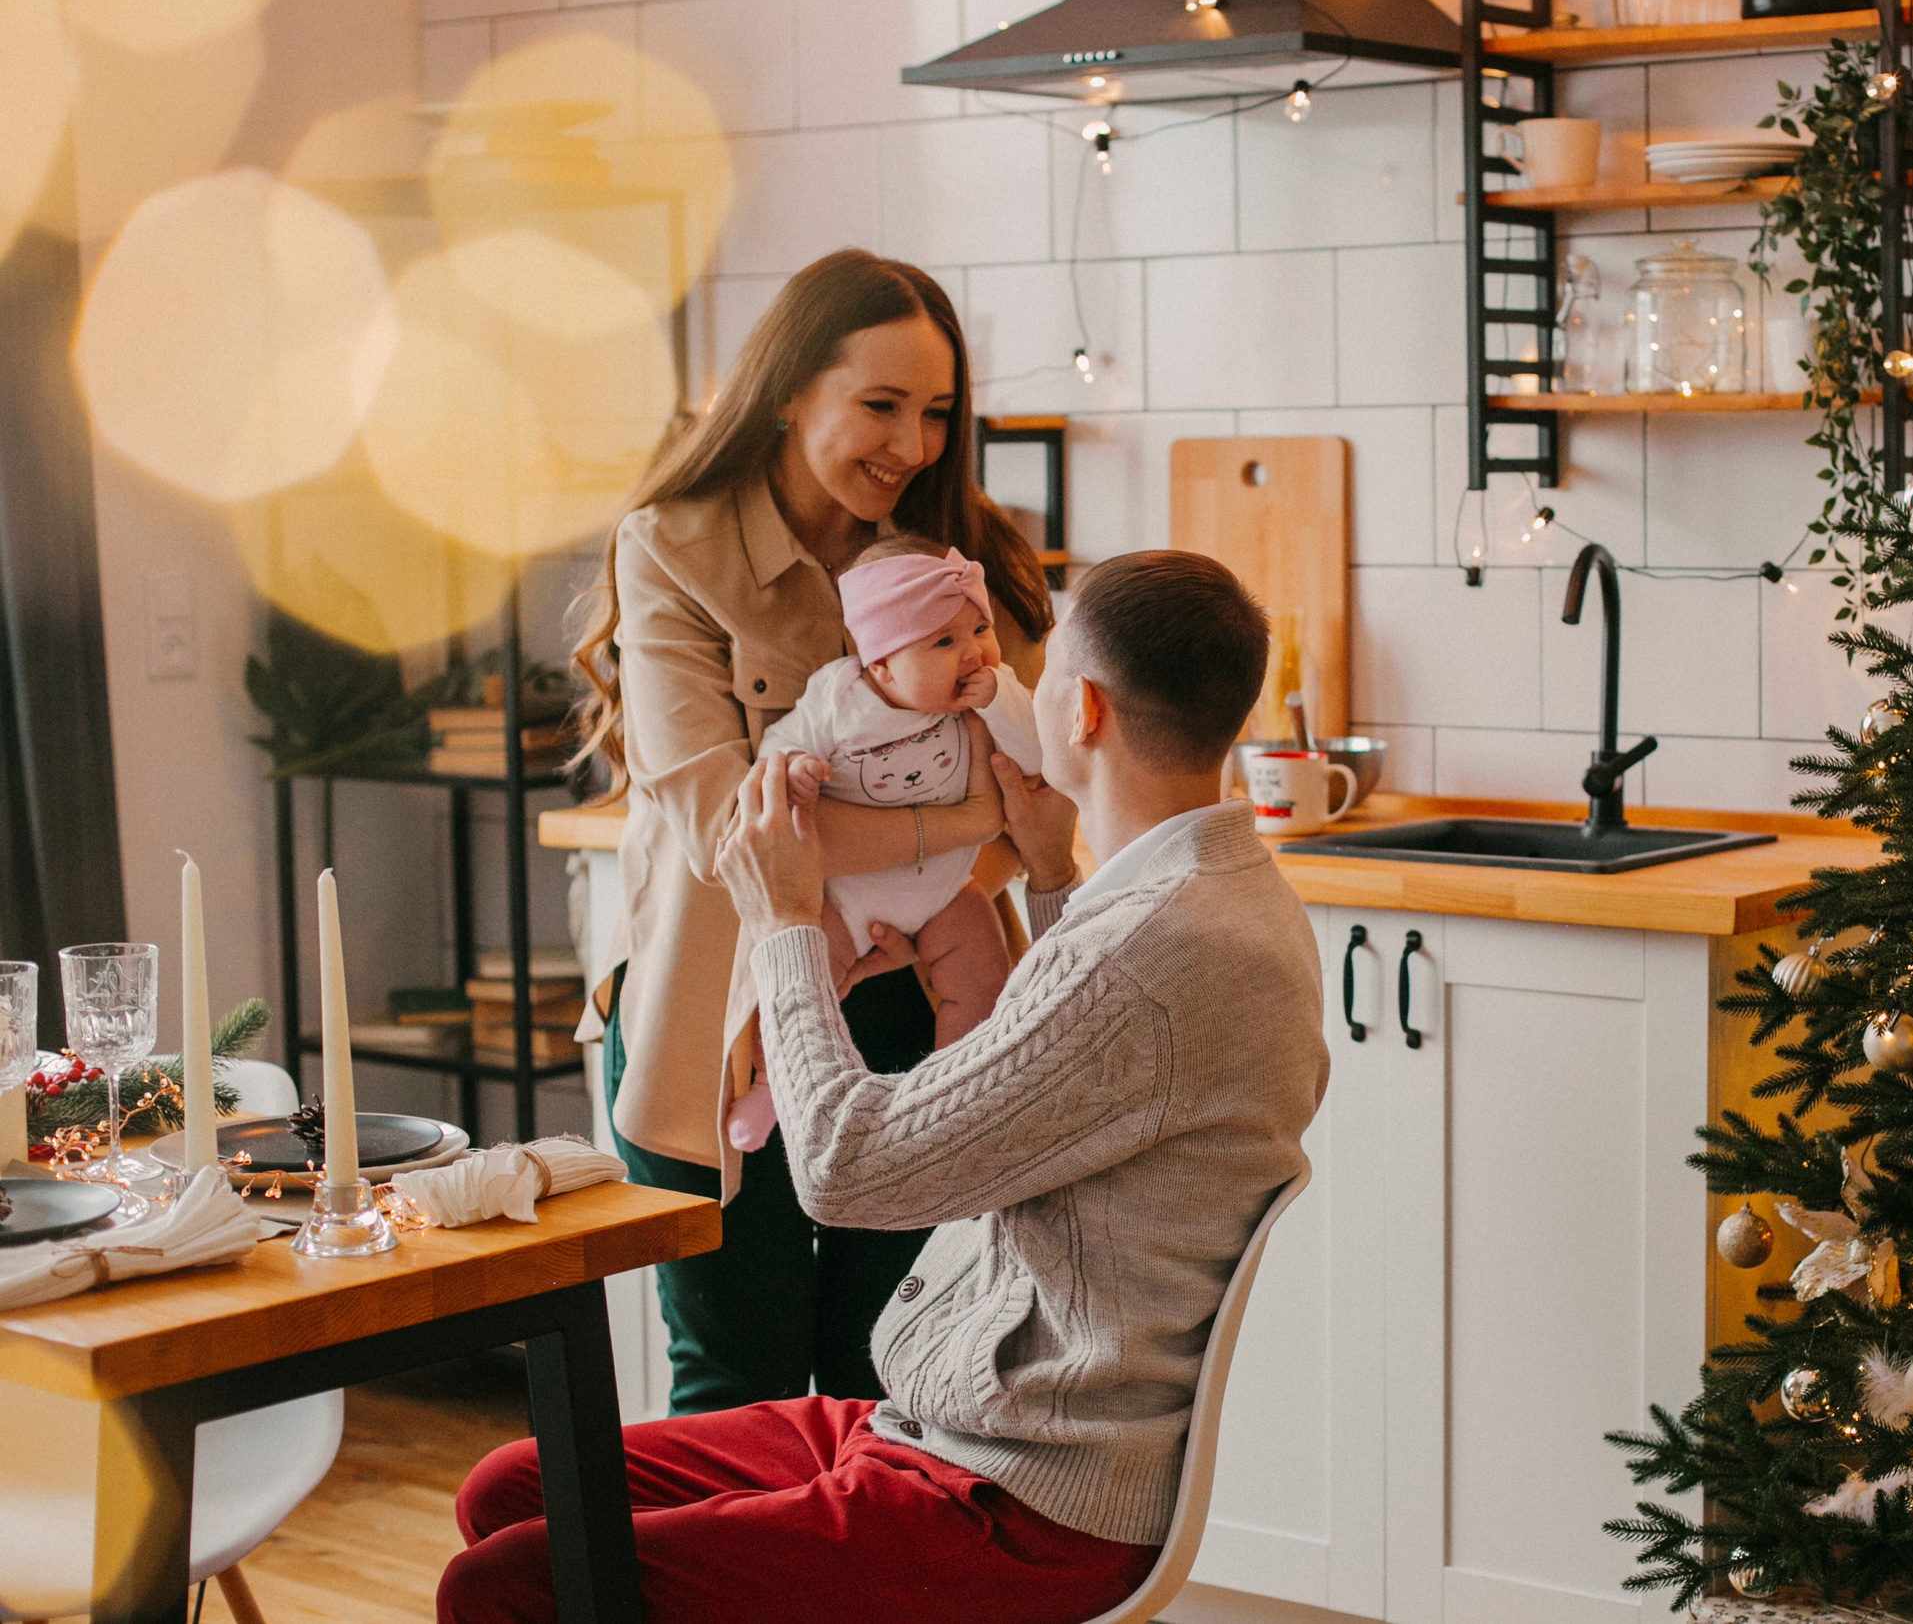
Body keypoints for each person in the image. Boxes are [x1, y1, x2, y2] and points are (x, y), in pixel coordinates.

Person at [442, 552, 1331, 1624]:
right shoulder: (1205, 888)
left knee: (507, 1583)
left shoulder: (1154, 943)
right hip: (948, 1418)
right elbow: (1092, 1080)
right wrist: (1049, 876)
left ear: (1081, 710)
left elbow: (844, 1170)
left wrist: (785, 925)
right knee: (513, 1487)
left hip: (1015, 1495)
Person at [568, 250, 1055, 1414]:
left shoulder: (967, 558)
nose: (913, 443)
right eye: (879, 404)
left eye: (935, 412)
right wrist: (964, 824)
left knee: (889, 1383)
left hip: (914, 1019)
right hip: (710, 1028)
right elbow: (721, 829)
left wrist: (928, 864)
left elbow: (1049, 796)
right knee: (733, 1391)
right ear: (788, 390)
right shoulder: (672, 547)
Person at [721, 536, 1039, 1152]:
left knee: (984, 974)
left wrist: (1002, 704)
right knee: (798, 974)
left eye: (979, 628)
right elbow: (773, 752)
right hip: (847, 897)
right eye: (943, 642)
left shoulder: (991, 696)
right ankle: (769, 1084)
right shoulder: (838, 699)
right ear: (881, 666)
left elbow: (1034, 758)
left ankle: (955, 1089)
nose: (973, 653)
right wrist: (792, 770)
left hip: (948, 892)